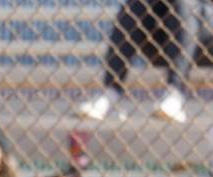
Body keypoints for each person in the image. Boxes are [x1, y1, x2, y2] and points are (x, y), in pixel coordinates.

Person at [76, 0, 204, 123]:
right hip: (164, 35)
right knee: (136, 4)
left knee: (184, 3)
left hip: (203, 29)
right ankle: (110, 93)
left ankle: (175, 95)